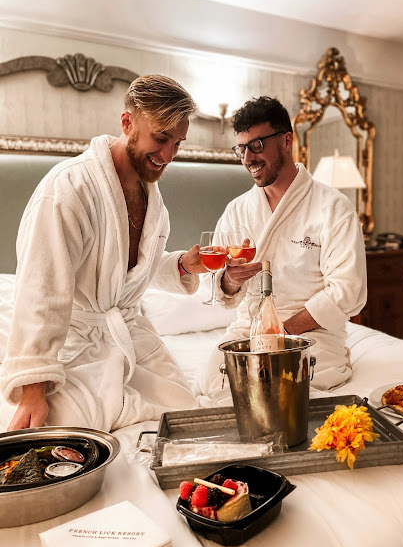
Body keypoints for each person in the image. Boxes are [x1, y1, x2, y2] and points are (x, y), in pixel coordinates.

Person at [1, 75, 207, 432]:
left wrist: (181, 265)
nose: (169, 155)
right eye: (161, 138)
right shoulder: (69, 189)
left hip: (132, 340)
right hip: (75, 350)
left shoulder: (151, 197)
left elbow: (128, 273)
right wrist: (33, 389)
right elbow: (41, 290)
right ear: (128, 123)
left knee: (190, 421)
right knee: (60, 444)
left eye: (178, 143)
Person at [196, 96, 367, 402]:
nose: (248, 158)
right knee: (211, 381)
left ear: (287, 140)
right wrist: (231, 281)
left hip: (310, 334)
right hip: (249, 332)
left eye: (258, 145)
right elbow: (215, 284)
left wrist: (281, 330)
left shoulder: (333, 207)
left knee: (276, 391)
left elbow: (348, 290)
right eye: (242, 149)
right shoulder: (237, 211)